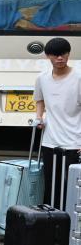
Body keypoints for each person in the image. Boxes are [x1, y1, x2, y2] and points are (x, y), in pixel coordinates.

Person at [33, 37, 81, 210]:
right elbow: (39, 100)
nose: (60, 58)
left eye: (63, 54)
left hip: (74, 142)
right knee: (51, 185)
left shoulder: (78, 77)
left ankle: (70, 227)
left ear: (69, 55)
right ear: (48, 56)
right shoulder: (42, 79)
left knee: (72, 188)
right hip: (50, 141)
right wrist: (39, 118)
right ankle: (51, 223)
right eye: (55, 55)